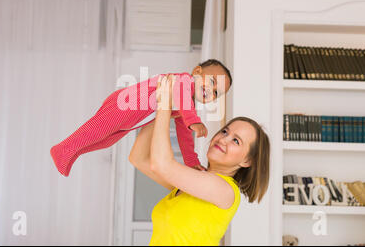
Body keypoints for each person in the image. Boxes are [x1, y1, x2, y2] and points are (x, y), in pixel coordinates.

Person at [128, 75, 270, 246]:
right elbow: (138, 158)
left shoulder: (224, 190)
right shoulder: (195, 182)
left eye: (236, 141)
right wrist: (166, 111)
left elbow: (161, 165)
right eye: (225, 132)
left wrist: (165, 106)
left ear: (247, 161)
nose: (223, 139)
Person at [50, 59, 232, 177]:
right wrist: (194, 121)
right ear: (197, 72)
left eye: (217, 92)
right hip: (126, 103)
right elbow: (184, 101)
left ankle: (73, 153)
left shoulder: (185, 107)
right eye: (212, 82)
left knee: (106, 140)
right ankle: (63, 149)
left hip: (132, 119)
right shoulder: (184, 81)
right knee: (97, 130)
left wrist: (192, 162)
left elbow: (184, 136)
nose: (211, 90)